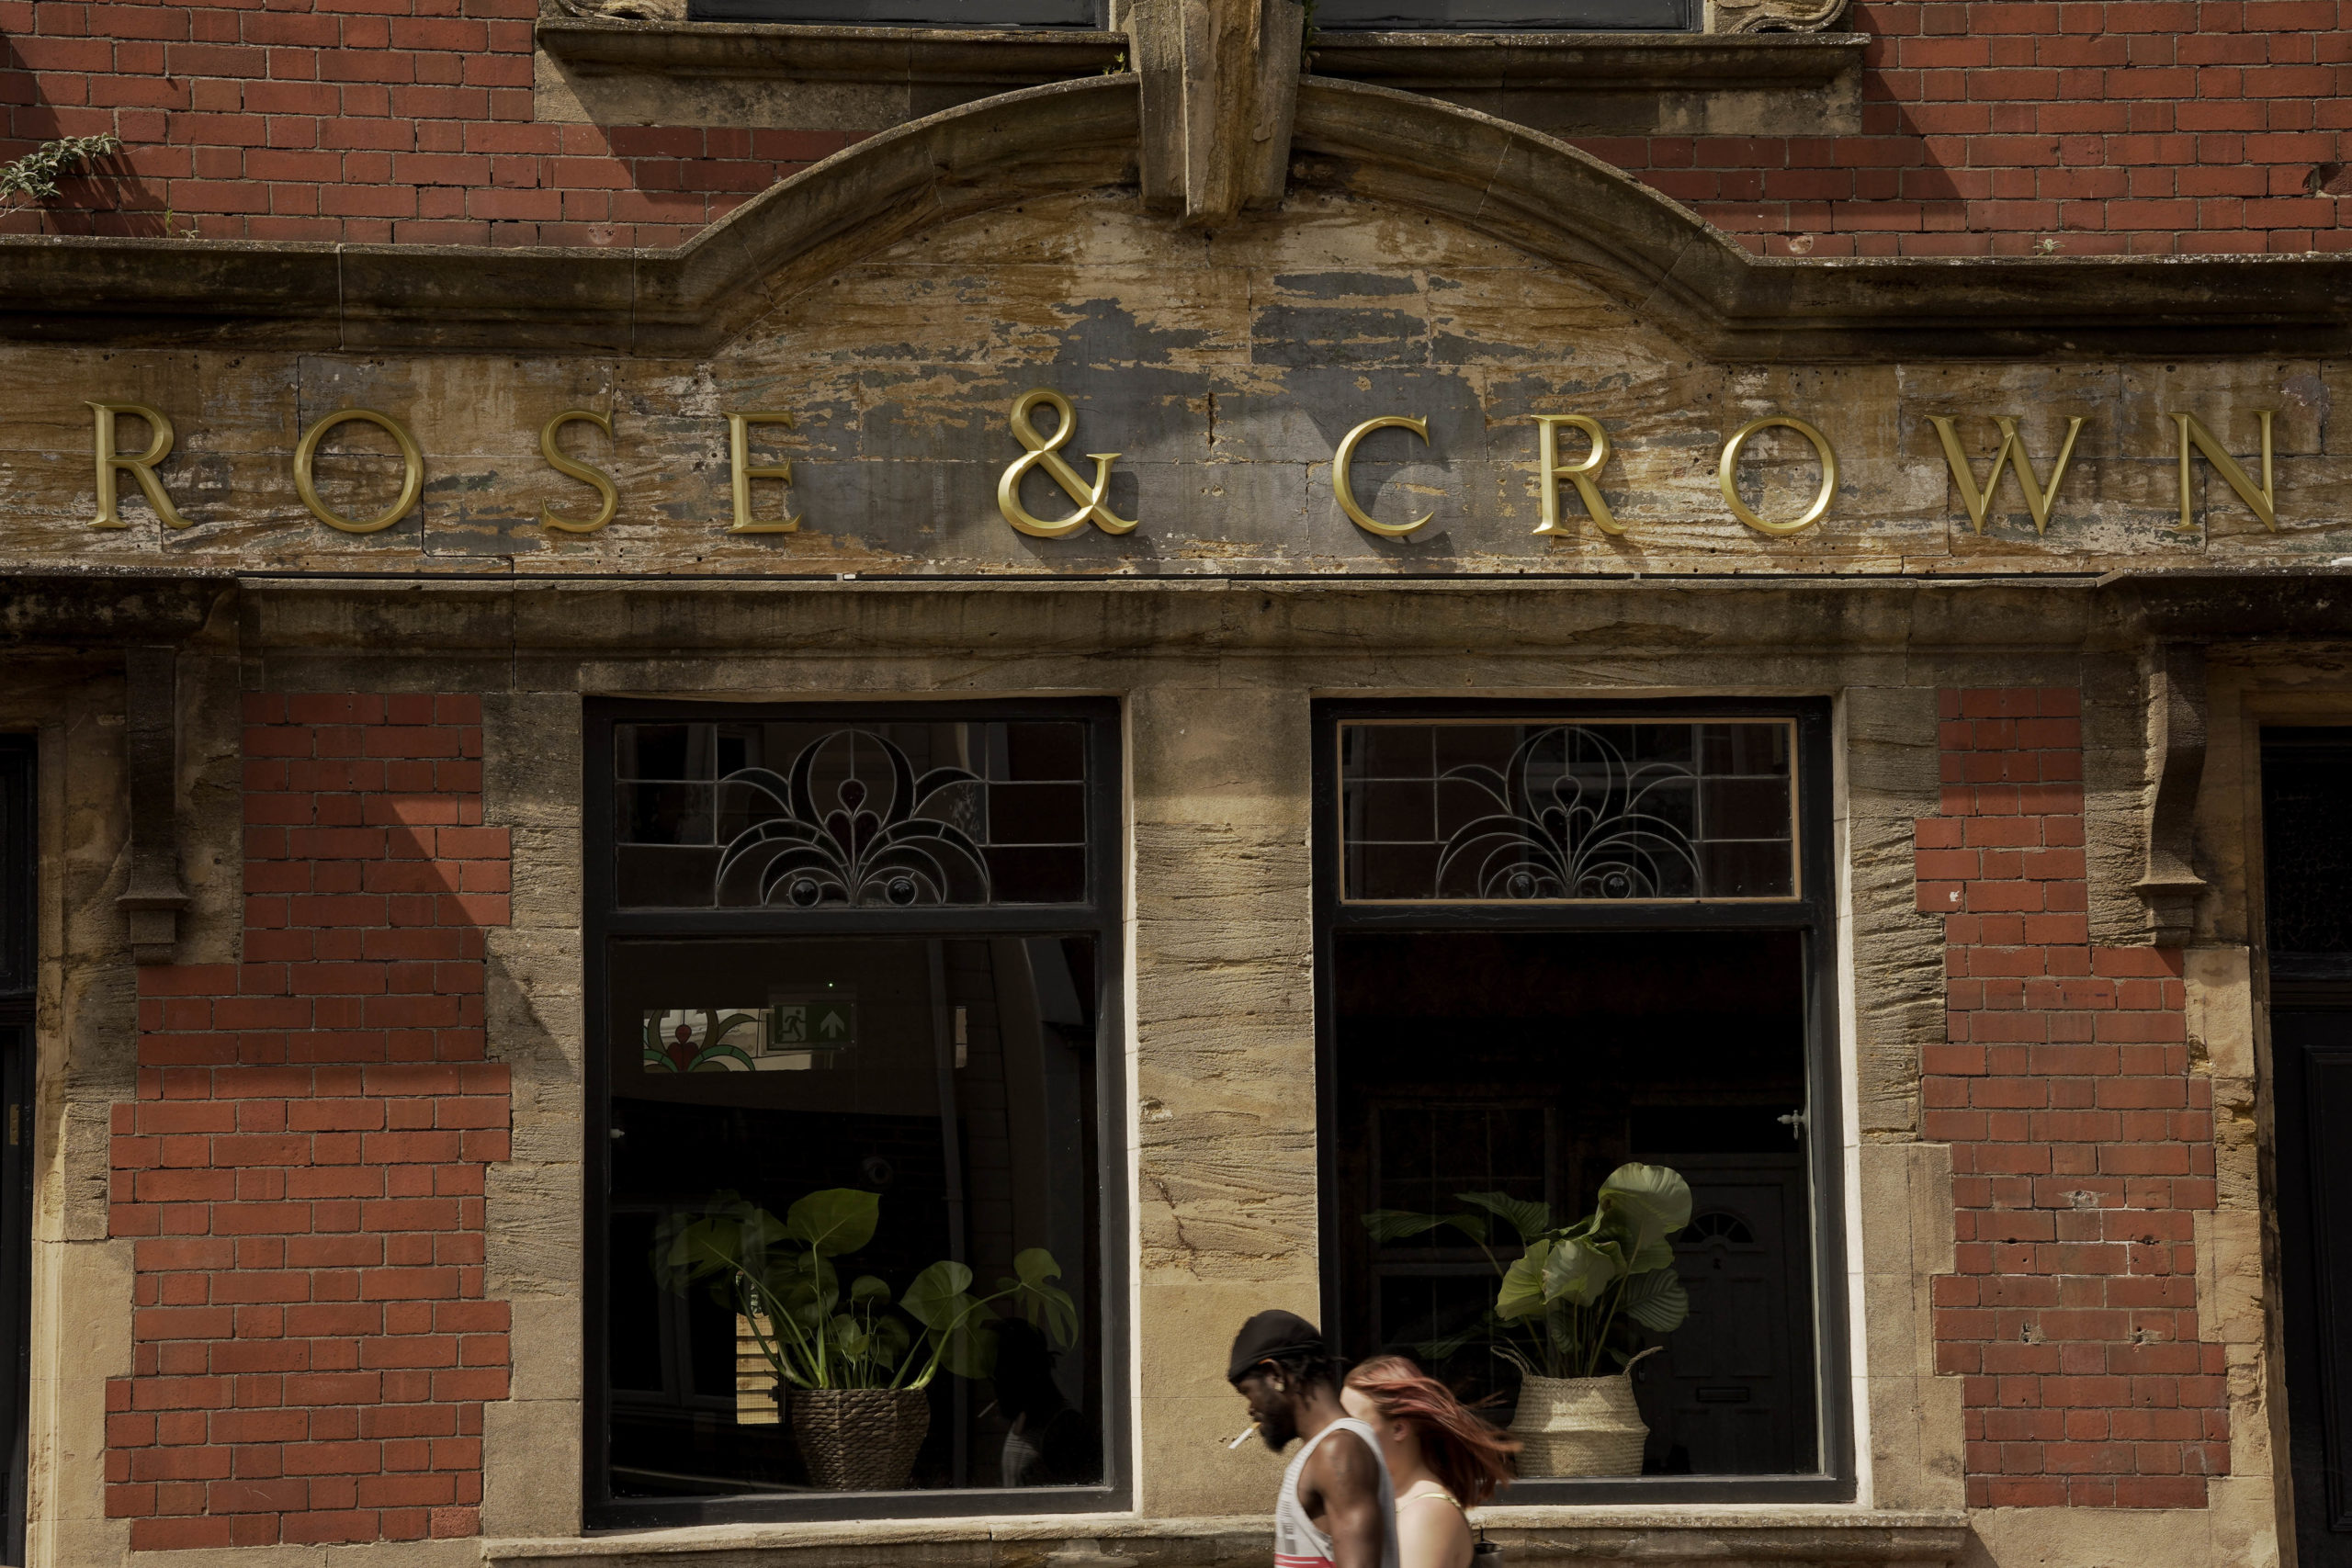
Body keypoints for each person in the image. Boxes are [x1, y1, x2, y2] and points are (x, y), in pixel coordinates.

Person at [1227, 1312, 1399, 1568]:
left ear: (1275, 1374)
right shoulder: (1328, 1448)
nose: (1250, 1409)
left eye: (1248, 1392)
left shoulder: (1338, 1450)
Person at [1340, 1357, 1521, 1568]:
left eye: (1354, 1424)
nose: (1340, 1436)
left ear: (1399, 1429)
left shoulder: (1424, 1514)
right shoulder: (1391, 1500)